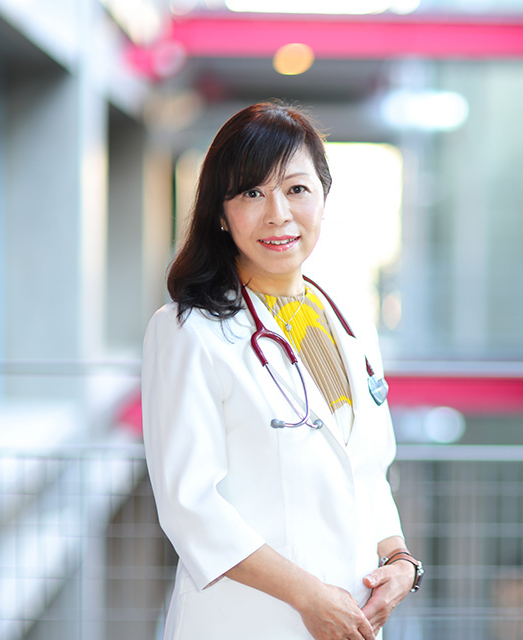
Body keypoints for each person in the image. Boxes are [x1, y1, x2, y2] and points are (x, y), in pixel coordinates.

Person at [142, 102, 421, 640]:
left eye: (296, 189)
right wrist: (308, 596)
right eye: (251, 192)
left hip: (351, 619)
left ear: (323, 196)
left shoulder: (348, 325)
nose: (278, 214)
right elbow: (190, 506)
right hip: (247, 621)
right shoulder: (186, 331)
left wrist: (400, 560)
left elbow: (367, 473)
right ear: (220, 212)